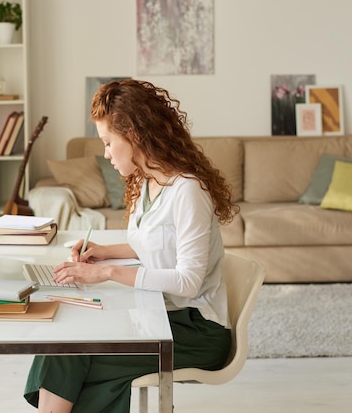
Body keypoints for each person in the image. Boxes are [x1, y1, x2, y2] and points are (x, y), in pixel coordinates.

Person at [23, 79, 239, 413]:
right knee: (65, 342)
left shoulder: (188, 192)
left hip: (198, 330)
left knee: (75, 358)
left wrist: (107, 273)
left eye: (109, 142)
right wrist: (105, 252)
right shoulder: (146, 182)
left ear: (134, 135)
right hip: (161, 314)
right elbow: (150, 246)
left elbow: (188, 281)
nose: (106, 153)